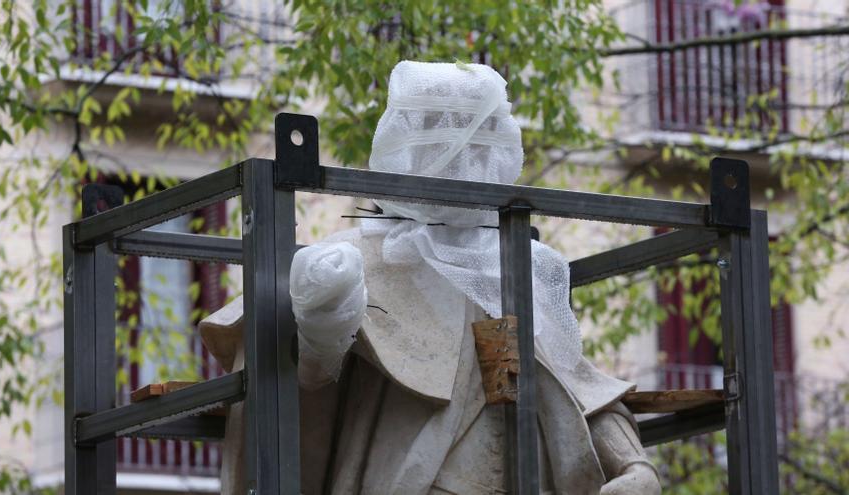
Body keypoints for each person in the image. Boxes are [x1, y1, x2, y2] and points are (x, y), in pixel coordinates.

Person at [200, 61, 661, 494]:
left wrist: (636, 466)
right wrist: (321, 330)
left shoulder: (512, 267)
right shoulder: (355, 257)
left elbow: (572, 386)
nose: (471, 160)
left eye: (484, 143)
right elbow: (298, 382)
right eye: (456, 141)